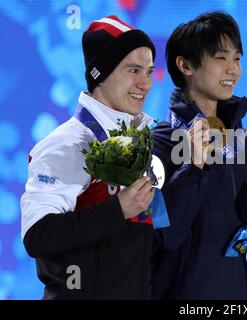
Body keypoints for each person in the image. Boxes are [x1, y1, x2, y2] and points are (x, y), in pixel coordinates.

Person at [20, 15, 172, 299]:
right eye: (133, 70)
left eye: (150, 71)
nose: (146, 83)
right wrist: (118, 210)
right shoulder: (68, 143)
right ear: (100, 74)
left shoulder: (142, 143)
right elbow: (37, 236)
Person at [151, 11, 247, 300]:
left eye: (237, 59)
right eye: (221, 58)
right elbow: (163, 235)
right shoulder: (160, 144)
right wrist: (193, 166)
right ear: (185, 64)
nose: (234, 70)